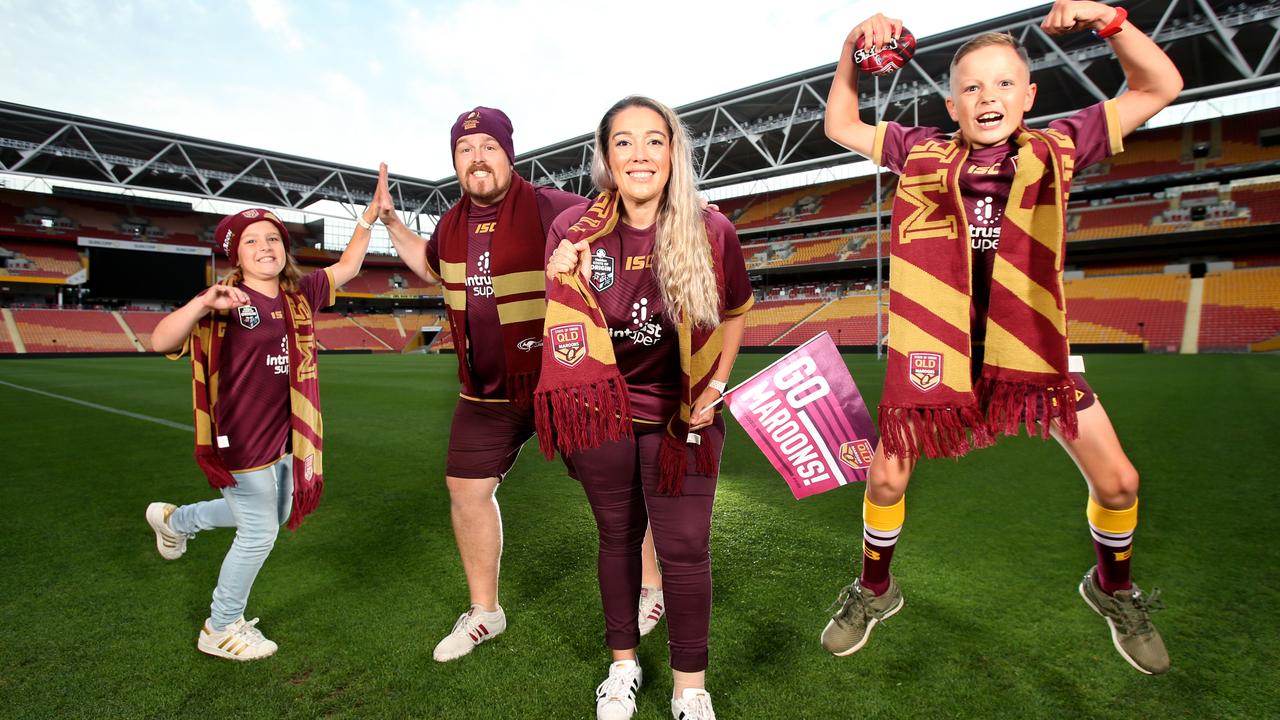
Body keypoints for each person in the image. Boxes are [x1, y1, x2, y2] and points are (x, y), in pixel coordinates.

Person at [818, 1, 1182, 675]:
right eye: (972, 87)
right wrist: (850, 48)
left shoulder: (1062, 144)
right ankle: (874, 590)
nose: (989, 97)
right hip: (938, 355)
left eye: (1005, 83)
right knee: (886, 480)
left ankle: (1112, 588)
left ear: (1030, 95)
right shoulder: (916, 150)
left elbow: (1161, 87)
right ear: (951, 104)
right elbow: (839, 122)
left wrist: (1110, 20)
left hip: (1032, 356)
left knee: (1121, 483)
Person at [379, 107, 667, 662]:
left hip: (565, 381)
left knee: (614, 492)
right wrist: (392, 224)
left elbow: (624, 218)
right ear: (455, 162)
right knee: (466, 491)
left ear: (509, 153)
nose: (478, 157)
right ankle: (486, 611)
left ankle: (650, 587)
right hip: (486, 391)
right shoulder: (449, 224)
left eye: (489, 146)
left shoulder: (550, 205)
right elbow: (433, 266)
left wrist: (682, 212)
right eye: (466, 150)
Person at [541, 95, 753, 720]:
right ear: (606, 156)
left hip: (681, 418)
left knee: (686, 551)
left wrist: (714, 387)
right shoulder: (573, 230)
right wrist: (559, 272)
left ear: (673, 152)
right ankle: (623, 668)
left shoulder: (712, 229)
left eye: (654, 140)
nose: (640, 153)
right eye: (624, 141)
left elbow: (737, 310)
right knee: (617, 539)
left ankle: (691, 690)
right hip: (602, 415)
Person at [145, 167, 386, 660]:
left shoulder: (300, 295)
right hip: (240, 436)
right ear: (237, 254)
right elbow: (160, 340)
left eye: (272, 238)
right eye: (252, 241)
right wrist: (200, 303)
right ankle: (220, 625)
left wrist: (369, 219)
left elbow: (347, 267)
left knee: (272, 512)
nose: (265, 247)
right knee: (259, 532)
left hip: (286, 436)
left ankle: (177, 520)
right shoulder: (224, 300)